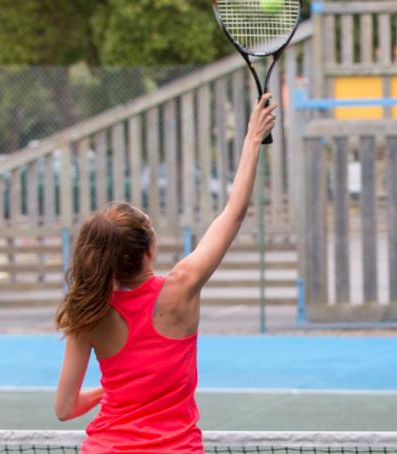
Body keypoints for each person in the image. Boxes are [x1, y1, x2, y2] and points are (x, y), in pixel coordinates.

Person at [53, 94, 278, 453]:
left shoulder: (87, 314)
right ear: (149, 250)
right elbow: (233, 213)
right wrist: (251, 140)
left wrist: (108, 391)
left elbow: (65, 409)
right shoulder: (182, 287)